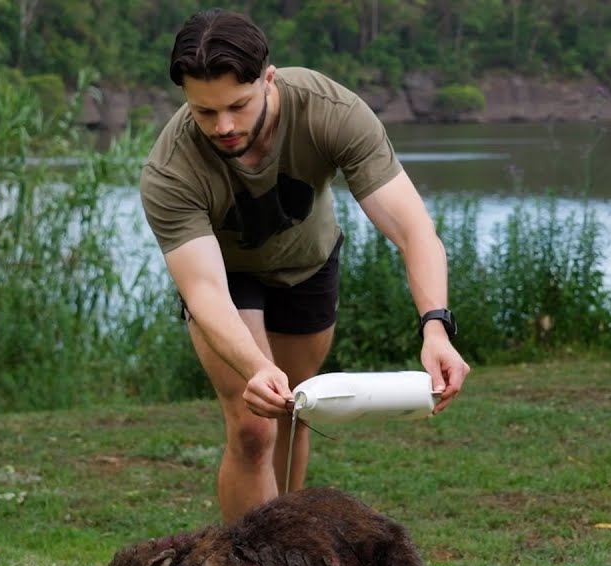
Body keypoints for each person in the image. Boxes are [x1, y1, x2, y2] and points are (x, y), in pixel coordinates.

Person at [140, 9, 470, 524]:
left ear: (268, 79)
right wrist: (255, 366)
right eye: (205, 112)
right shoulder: (171, 169)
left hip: (308, 264)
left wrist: (436, 327)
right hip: (228, 277)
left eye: (238, 106)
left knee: (295, 412)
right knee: (253, 425)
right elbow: (204, 291)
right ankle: (249, 564)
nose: (223, 126)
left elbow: (414, 230)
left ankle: (286, 554)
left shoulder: (329, 111)